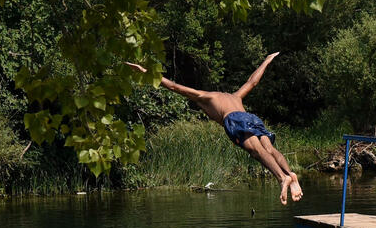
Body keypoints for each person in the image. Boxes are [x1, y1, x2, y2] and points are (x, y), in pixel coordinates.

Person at [126, 53, 303, 205]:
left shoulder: (204, 97)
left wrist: (144, 71)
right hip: (251, 117)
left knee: (256, 151)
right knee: (269, 149)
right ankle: (290, 174)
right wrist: (266, 60)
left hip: (234, 119)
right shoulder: (236, 96)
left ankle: (282, 178)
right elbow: (252, 82)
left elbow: (173, 86)